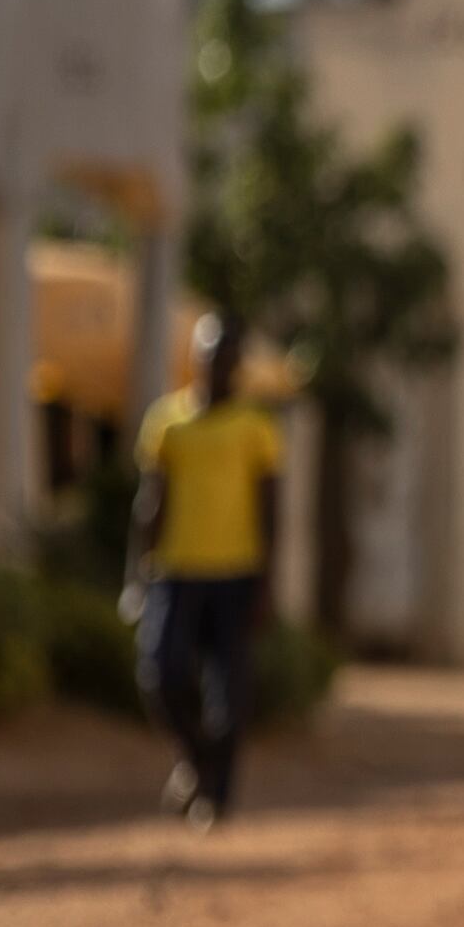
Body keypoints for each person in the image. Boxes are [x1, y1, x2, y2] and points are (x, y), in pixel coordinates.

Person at [128, 311, 280, 827]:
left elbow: (270, 511)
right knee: (161, 673)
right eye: (209, 354)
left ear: (238, 364)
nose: (217, 365)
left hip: (236, 574)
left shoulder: (256, 427)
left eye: (227, 356)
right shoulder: (166, 420)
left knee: (228, 691)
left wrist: (266, 583)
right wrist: (136, 576)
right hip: (174, 571)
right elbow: (149, 504)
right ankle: (196, 762)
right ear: (195, 357)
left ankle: (217, 796)